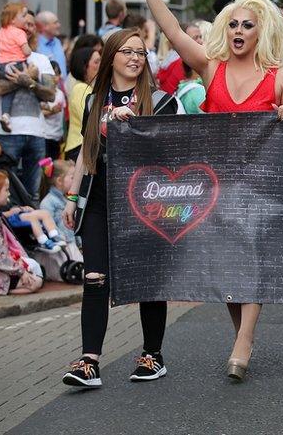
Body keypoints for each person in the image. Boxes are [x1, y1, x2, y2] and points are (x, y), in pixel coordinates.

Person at [131, 0, 283, 382]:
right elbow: (171, 30)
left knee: (254, 259)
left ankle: (245, 339)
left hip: (262, 187)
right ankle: (241, 330)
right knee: (227, 266)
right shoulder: (211, 65)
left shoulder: (279, 75)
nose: (239, 30)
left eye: (248, 25)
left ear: (262, 33)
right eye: (234, 23)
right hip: (217, 185)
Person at [60, 29, 180, 388]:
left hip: (145, 202)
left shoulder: (161, 101)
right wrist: (72, 196)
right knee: (94, 277)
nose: (134, 58)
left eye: (140, 52)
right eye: (126, 51)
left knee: (147, 278)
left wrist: (138, 130)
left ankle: (152, 354)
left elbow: (174, 156)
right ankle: (89, 361)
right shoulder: (94, 99)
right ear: (111, 56)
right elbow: (86, 151)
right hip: (98, 198)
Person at [0, 11, 56, 198]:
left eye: (31, 25)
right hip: (8, 134)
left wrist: (30, 83)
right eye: (24, 24)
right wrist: (20, 80)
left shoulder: (40, 59)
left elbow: (51, 94)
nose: (28, 28)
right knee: (3, 192)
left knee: (32, 192)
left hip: (37, 133)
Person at [0, 171, 44, 296]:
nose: (9, 194)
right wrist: (21, 271)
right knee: (36, 281)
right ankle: (1, 290)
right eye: (6, 190)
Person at [0, 3, 33, 132]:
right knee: (31, 76)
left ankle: (6, 114)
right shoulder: (19, 33)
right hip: (18, 64)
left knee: (8, 92)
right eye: (23, 16)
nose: (26, 19)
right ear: (12, 19)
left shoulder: (2, 31)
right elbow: (27, 51)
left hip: (3, 66)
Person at [63, 48, 101, 161]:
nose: (101, 65)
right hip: (79, 147)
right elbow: (90, 120)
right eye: (96, 62)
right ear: (84, 67)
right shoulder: (81, 89)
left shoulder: (88, 88)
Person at [40, 159, 76, 246]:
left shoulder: (70, 197)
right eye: (72, 178)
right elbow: (49, 227)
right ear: (59, 181)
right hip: (64, 247)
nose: (76, 181)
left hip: (73, 245)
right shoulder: (48, 202)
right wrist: (62, 240)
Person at [41, 61, 66, 160]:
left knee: (55, 162)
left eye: (56, 74)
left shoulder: (60, 94)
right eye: (51, 75)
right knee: (46, 164)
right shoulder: (43, 93)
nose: (53, 77)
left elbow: (63, 115)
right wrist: (52, 111)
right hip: (46, 135)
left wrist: (63, 133)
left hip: (57, 135)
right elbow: (40, 113)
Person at [35, 11, 67, 80]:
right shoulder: (35, 45)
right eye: (55, 23)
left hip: (62, 89)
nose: (59, 25)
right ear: (45, 26)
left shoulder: (58, 42)